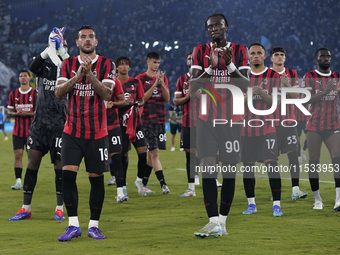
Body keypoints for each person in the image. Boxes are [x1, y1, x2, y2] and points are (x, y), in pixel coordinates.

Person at [190, 13, 250, 237]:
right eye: (210, 26)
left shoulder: (240, 51)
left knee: (229, 170)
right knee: (207, 166)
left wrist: (230, 64)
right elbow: (193, 86)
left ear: (227, 26)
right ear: (207, 30)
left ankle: (222, 223)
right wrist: (211, 67)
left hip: (232, 120)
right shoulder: (199, 51)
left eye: (218, 25)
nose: (214, 28)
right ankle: (213, 221)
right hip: (206, 119)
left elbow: (245, 85)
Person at [55, 25, 115, 241]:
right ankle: (73, 225)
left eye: (91, 37)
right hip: (71, 131)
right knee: (67, 176)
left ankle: (94, 226)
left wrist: (89, 76)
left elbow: (108, 94)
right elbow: (59, 92)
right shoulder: (67, 64)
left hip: (98, 133)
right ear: (77, 42)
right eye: (83, 37)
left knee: (96, 179)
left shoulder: (108, 64)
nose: (87, 40)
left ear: (96, 42)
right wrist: (78, 75)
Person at [9, 28, 69, 222]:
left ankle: (59, 208)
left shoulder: (68, 67)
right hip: (40, 124)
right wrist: (48, 48)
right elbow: (33, 67)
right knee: (32, 163)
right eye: (58, 43)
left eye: (62, 44)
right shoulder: (45, 65)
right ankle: (26, 207)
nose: (60, 46)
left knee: (59, 165)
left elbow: (71, 67)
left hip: (60, 124)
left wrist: (61, 50)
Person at [241, 43, 283, 217]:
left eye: (259, 53)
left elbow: (277, 102)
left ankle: (276, 205)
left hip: (267, 126)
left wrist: (262, 93)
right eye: (253, 53)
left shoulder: (273, 75)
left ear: (265, 56)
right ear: (248, 57)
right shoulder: (242, 76)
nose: (256, 56)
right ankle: (252, 204)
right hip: (246, 128)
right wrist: (248, 96)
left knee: (271, 164)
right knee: (248, 167)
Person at [304, 48, 340, 211]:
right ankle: (317, 199)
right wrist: (326, 91)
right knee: (313, 162)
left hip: (333, 125)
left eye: (328, 56)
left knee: (337, 159)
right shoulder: (309, 77)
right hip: (314, 126)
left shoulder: (337, 77)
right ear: (316, 59)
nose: (326, 58)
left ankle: (338, 199)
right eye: (322, 56)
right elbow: (307, 99)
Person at [270, 46, 308, 200]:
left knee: (293, 155)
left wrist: (286, 85)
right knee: (272, 158)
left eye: (282, 55)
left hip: (289, 121)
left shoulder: (291, 74)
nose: (279, 57)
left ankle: (295, 189)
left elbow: (297, 96)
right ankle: (275, 191)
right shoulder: (267, 74)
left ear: (285, 58)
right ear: (271, 58)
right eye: (276, 55)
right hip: (271, 121)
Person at [136, 51, 170, 195]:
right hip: (146, 120)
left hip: (160, 120)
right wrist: (154, 84)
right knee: (154, 153)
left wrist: (161, 84)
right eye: (154, 62)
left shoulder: (163, 78)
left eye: (158, 63)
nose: (156, 65)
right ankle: (164, 185)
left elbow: (167, 98)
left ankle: (142, 183)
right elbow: (142, 99)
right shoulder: (140, 79)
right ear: (148, 62)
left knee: (151, 155)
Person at [115, 56, 147, 198]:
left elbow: (142, 100)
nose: (124, 67)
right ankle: (122, 184)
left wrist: (135, 104)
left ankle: (140, 180)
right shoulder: (114, 83)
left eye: (126, 64)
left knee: (143, 152)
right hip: (120, 124)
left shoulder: (135, 82)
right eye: (121, 64)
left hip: (135, 123)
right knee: (123, 155)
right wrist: (123, 103)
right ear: (116, 67)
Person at [7, 70, 37, 190]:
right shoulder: (13, 94)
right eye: (20, 76)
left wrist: (27, 113)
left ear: (29, 78)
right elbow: (9, 113)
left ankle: (29, 181)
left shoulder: (35, 94)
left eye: (25, 76)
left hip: (31, 132)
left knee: (32, 157)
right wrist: (16, 113)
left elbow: (38, 113)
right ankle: (18, 181)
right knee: (18, 155)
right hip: (17, 132)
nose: (23, 78)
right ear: (19, 79)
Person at [174, 52, 198, 197]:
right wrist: (189, 96)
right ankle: (191, 189)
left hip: (204, 123)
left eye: (194, 58)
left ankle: (212, 181)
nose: (191, 60)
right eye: (189, 58)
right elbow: (176, 101)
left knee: (208, 155)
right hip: (187, 122)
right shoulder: (181, 79)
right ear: (187, 61)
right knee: (189, 155)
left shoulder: (206, 78)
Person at [106, 77, 126, 203]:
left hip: (113, 125)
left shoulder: (114, 80)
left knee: (117, 157)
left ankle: (120, 192)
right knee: (97, 164)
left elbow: (122, 100)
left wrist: (113, 104)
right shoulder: (86, 80)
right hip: (95, 127)